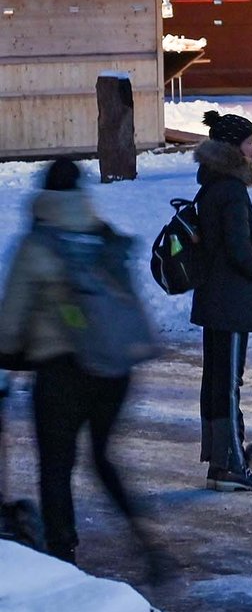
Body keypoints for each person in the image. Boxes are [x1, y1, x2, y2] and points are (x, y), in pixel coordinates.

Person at [0, 160, 163, 570]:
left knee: (56, 465)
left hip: (62, 373)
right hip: (114, 368)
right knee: (102, 456)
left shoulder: (38, 244)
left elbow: (9, 325)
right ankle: (146, 540)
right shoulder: (101, 234)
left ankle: (63, 556)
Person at [193, 111, 252, 492]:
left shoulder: (212, 183)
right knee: (227, 382)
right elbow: (238, 248)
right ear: (232, 148)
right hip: (230, 299)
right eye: (249, 142)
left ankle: (224, 457)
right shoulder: (230, 189)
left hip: (214, 297)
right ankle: (230, 463)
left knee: (217, 379)